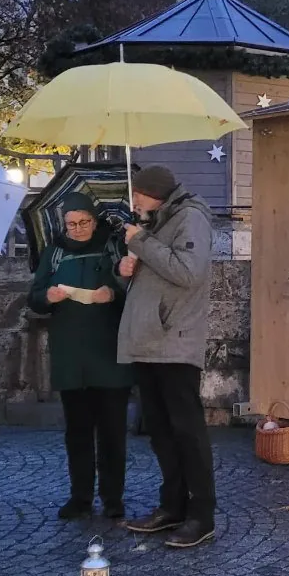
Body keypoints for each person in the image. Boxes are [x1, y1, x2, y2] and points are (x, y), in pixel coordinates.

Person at [118, 166, 217, 549]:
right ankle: (172, 505)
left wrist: (142, 242)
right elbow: (155, 276)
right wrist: (124, 268)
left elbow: (189, 271)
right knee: (160, 431)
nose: (134, 202)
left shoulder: (189, 218)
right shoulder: (158, 219)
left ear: (154, 192)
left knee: (187, 432)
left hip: (173, 341)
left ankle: (201, 515)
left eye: (138, 195)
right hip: (148, 342)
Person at [29, 192, 134, 521]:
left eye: (83, 222)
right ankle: (81, 496)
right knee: (77, 431)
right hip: (70, 355)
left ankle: (113, 497)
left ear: (94, 219)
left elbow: (131, 289)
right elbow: (34, 297)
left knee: (113, 431)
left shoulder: (114, 246)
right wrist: (46, 296)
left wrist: (113, 292)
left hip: (109, 354)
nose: (77, 228)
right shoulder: (55, 252)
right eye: (71, 224)